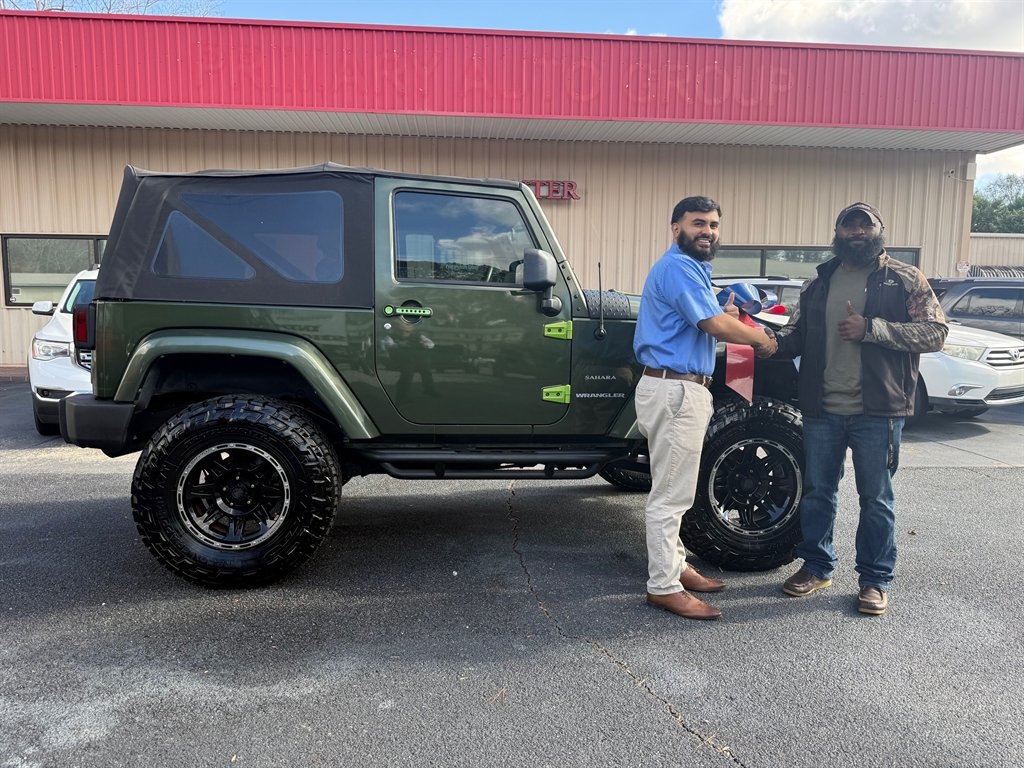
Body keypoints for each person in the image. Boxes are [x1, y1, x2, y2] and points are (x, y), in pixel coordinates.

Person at [771, 202, 948, 616]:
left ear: (878, 231)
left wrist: (872, 329)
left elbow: (936, 332)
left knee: (876, 499)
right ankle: (816, 567)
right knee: (817, 493)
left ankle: (874, 580)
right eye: (848, 226)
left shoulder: (904, 278)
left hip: (878, 411)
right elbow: (795, 335)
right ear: (837, 233)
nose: (856, 232)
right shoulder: (819, 281)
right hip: (822, 408)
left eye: (864, 226)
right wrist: (756, 334)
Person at [633, 196, 778, 621]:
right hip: (676, 390)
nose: (708, 231)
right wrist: (762, 339)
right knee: (670, 496)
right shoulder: (678, 268)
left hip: (675, 388)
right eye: (698, 223)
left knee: (674, 488)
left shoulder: (690, 270)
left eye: (714, 225)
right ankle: (663, 586)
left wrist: (727, 309)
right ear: (675, 226)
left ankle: (675, 567)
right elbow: (713, 325)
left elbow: (710, 314)